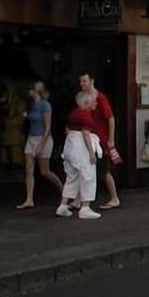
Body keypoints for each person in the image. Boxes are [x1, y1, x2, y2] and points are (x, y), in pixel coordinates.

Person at [16, 81, 63, 209]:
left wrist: (42, 145)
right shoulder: (32, 105)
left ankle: (64, 190)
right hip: (31, 137)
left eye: (31, 88)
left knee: (44, 171)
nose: (29, 91)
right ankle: (29, 199)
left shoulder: (45, 105)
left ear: (37, 91)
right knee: (29, 170)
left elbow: (47, 127)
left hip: (43, 138)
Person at [55, 90, 102, 219]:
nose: (96, 103)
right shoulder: (86, 115)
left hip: (70, 145)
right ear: (86, 103)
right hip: (80, 146)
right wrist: (91, 153)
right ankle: (85, 207)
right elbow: (86, 134)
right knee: (88, 175)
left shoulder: (73, 114)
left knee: (72, 177)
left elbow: (67, 130)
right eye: (94, 101)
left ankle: (63, 205)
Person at [78, 71, 121, 209]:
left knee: (103, 170)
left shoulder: (100, 98)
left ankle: (114, 197)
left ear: (91, 81)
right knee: (93, 169)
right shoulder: (85, 98)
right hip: (90, 137)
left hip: (100, 138)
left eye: (84, 81)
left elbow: (111, 118)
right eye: (80, 81)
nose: (82, 84)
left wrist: (111, 139)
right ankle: (81, 198)